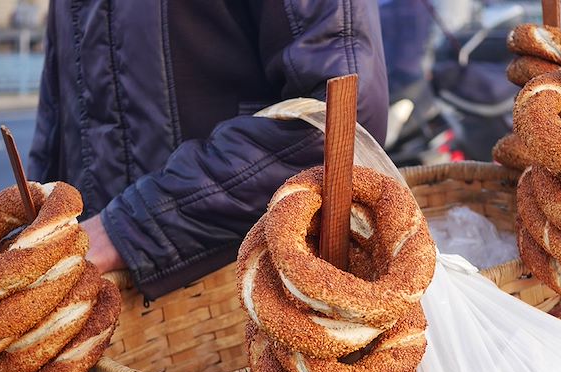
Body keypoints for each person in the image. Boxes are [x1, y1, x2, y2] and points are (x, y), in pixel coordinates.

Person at [28, 1, 388, 301]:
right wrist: (37, 280)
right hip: (106, 320)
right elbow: (58, 122)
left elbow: (340, 116)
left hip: (247, 305)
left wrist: (127, 229)